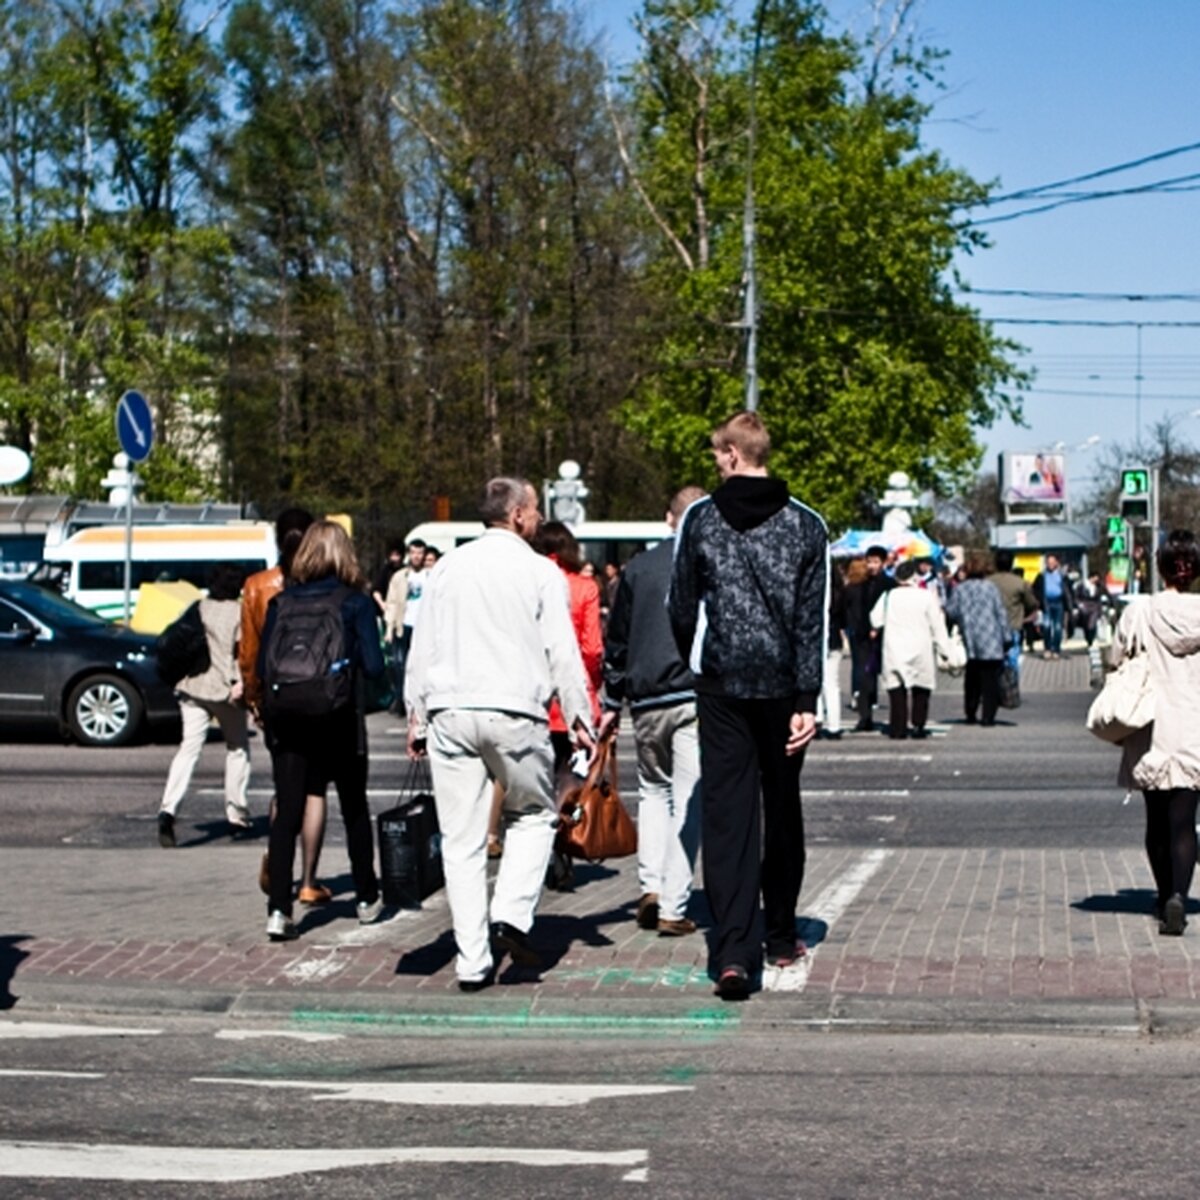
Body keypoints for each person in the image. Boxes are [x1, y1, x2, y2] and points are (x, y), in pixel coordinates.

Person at [405, 477, 595, 991]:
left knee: (461, 840)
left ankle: (472, 960)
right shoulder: (539, 572)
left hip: (449, 709)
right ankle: (511, 912)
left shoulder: (446, 568)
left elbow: (423, 646)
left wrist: (416, 714)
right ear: (516, 515)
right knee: (533, 815)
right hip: (515, 709)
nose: (537, 518)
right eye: (533, 510)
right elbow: (561, 650)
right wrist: (580, 716)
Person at [668, 411, 828, 1001]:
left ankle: (733, 952)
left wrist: (698, 658)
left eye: (717, 454)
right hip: (785, 686)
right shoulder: (807, 525)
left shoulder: (701, 520)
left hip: (722, 684)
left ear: (734, 454)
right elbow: (814, 617)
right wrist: (809, 697)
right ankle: (781, 935)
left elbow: (681, 601)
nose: (715, 462)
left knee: (729, 815)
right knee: (781, 807)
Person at [258, 521, 385, 941]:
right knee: (352, 809)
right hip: (339, 716)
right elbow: (373, 665)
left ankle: (279, 909)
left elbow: (263, 669)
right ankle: (366, 897)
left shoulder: (281, 603)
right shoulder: (354, 602)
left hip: (288, 719)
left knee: (287, 813)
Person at [602, 486, 706, 937]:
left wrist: (612, 697)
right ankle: (674, 904)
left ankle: (649, 885)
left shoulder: (638, 568)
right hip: (692, 693)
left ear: (669, 518)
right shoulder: (710, 564)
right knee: (688, 799)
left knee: (653, 793)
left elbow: (617, 638)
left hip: (645, 699)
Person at [239, 506, 330, 905]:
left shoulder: (258, 586)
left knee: (284, 789)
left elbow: (250, 652)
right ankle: (309, 880)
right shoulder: (326, 585)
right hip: (322, 699)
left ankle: (279, 867)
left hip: (278, 699)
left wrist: (255, 700)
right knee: (314, 790)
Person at [1114, 531, 1200, 935]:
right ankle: (1179, 896)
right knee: (1185, 820)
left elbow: (1117, 656)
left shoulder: (1140, 612)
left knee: (1157, 820)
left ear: (1162, 566)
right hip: (1195, 725)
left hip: (1151, 725)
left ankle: (1163, 890)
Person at [157, 563, 251, 847]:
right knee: (237, 748)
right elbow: (242, 653)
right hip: (225, 690)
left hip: (193, 687)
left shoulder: (198, 607)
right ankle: (236, 814)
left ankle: (168, 810)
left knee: (189, 748)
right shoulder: (239, 613)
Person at [869, 559, 953, 739]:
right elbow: (937, 625)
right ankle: (918, 725)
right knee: (921, 688)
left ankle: (898, 727)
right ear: (915, 577)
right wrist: (944, 650)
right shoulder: (926, 596)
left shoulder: (889, 596)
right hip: (921, 647)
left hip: (894, 648)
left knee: (896, 689)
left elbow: (875, 619)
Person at [944, 553, 1009, 727]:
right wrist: (1007, 636)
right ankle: (988, 716)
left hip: (970, 639)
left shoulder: (960, 589)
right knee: (990, 681)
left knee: (972, 679)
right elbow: (1000, 613)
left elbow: (951, 611)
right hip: (991, 638)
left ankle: (970, 711)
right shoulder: (991, 588)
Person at [844, 545, 895, 731]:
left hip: (885, 635)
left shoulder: (889, 584)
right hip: (862, 636)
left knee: (889, 676)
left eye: (876, 562)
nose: (872, 565)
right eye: (869, 561)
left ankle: (897, 717)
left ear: (883, 563)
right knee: (865, 676)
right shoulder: (860, 584)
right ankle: (865, 716)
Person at [382, 539, 428, 709]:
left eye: (420, 553)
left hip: (423, 627)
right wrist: (389, 629)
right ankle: (401, 699)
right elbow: (392, 602)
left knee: (421, 666)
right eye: (414, 552)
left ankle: (419, 700)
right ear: (409, 554)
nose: (417, 556)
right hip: (404, 625)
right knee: (400, 665)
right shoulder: (400, 577)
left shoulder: (431, 575)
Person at [990, 550, 1038, 686]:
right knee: (1012, 659)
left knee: (994, 660)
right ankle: (1011, 688)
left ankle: (994, 688)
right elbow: (1032, 603)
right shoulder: (1020, 583)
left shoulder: (988, 581)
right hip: (1013, 625)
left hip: (992, 628)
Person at [1032, 554, 1074, 659]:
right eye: (1048, 562)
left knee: (1057, 627)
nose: (1050, 564)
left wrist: (1070, 605)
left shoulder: (1062, 575)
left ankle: (1056, 649)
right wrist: (1038, 601)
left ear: (1056, 563)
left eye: (1052, 562)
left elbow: (1069, 590)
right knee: (1046, 626)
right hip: (1046, 603)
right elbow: (1035, 589)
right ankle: (1047, 648)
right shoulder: (1041, 575)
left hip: (1059, 603)